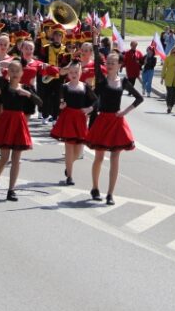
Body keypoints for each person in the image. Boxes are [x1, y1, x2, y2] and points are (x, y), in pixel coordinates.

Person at [85, 32, 144, 205]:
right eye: (108, 62)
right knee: (99, 157)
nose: (110, 65)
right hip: (102, 121)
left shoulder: (124, 82)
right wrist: (95, 44)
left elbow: (139, 98)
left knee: (115, 158)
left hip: (117, 122)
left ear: (119, 65)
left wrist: (125, 112)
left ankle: (110, 193)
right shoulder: (102, 80)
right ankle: (95, 188)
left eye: (113, 62)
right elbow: (97, 63)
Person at [0, 60, 43, 201]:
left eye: (18, 71)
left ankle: (11, 190)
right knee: (4, 158)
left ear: (22, 73)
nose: (15, 73)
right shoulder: (4, 86)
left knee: (16, 158)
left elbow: (40, 102)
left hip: (19, 122)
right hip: (6, 122)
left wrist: (27, 94)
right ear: (8, 73)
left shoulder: (26, 88)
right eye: (12, 71)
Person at [50, 60, 97, 185]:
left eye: (76, 72)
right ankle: (69, 176)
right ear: (68, 74)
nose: (74, 74)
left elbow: (96, 101)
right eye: (71, 72)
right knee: (69, 148)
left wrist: (90, 109)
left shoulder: (85, 87)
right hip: (68, 119)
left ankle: (69, 165)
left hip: (80, 120)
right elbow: (59, 103)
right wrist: (61, 105)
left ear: (80, 72)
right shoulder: (64, 87)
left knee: (78, 152)